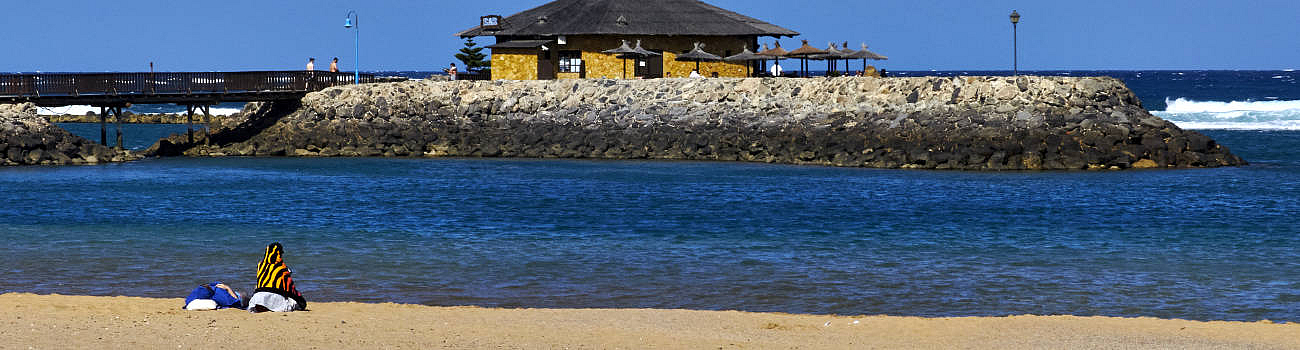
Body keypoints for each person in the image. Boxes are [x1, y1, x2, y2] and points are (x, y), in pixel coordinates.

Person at [248, 242, 307, 312]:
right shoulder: (282, 268)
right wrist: (301, 300)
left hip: (256, 299)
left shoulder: (260, 266)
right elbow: (290, 288)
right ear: (279, 254)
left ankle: (263, 305)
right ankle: (269, 305)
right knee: (295, 302)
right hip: (275, 300)